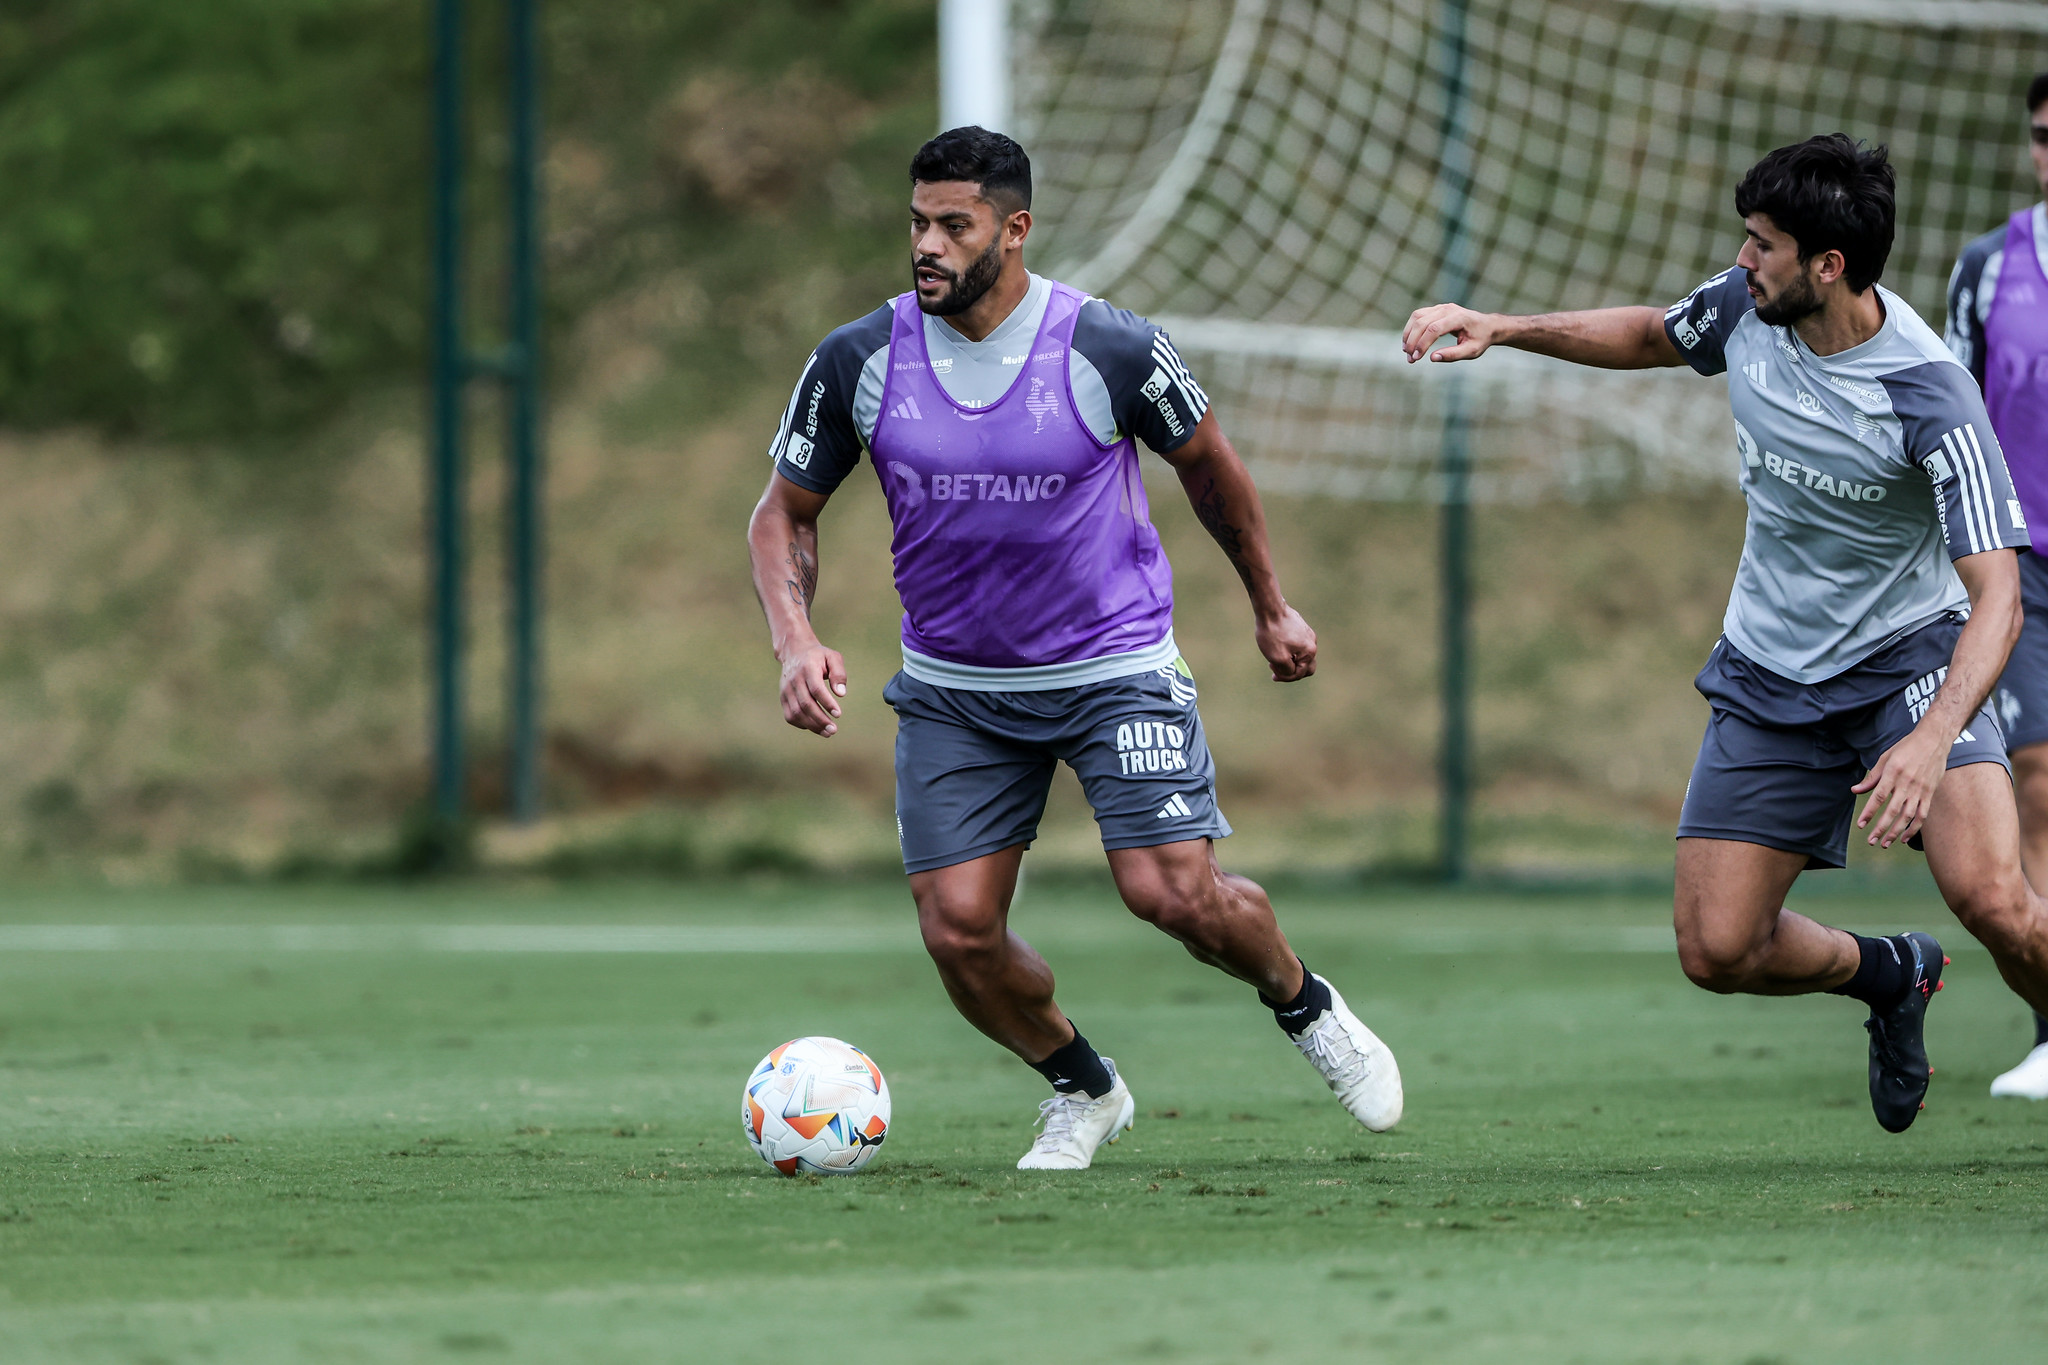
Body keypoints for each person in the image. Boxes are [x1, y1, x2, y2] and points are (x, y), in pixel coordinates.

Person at [746, 127, 1401, 1170]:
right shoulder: (858, 359)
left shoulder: (1109, 346)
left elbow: (1211, 469)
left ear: (1014, 231)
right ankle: (1082, 1089)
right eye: (916, 222)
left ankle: (1303, 1003)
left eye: (952, 227)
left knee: (1170, 893)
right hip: (956, 691)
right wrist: (794, 640)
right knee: (957, 931)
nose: (926, 245)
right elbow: (783, 512)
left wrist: (1270, 605)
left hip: (1113, 671)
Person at [1404, 133, 2048, 1133]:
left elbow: (1996, 597)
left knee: (1996, 902)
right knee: (1717, 951)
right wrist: (1501, 326)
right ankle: (1889, 975)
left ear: (1825, 266)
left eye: (1760, 245)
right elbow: (1651, 335)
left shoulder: (1928, 395)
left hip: (1908, 664)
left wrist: (1926, 742)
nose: (1739, 261)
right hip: (1768, 668)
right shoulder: (1742, 311)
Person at [1945, 72, 2048, 1101]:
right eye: (2039, 135)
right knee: (2037, 781)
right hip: (2029, 565)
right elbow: (1950, 409)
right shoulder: (1989, 268)